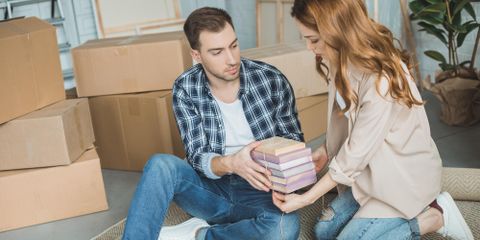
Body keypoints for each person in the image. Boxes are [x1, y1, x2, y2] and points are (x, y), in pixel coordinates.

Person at [272, 0, 474, 240]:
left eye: (314, 39)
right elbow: (345, 120)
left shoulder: (381, 79)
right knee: (323, 232)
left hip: (401, 177)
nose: (308, 47)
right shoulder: (339, 58)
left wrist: (307, 197)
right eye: (305, 38)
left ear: (338, 30)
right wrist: (326, 150)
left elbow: (353, 157)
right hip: (370, 171)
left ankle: (436, 217)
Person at [123, 7, 304, 240]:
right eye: (217, 52)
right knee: (161, 165)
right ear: (197, 55)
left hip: (261, 190)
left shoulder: (270, 79)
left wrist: (280, 175)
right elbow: (197, 156)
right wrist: (232, 163)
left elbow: (295, 142)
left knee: (283, 228)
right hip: (210, 190)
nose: (231, 59)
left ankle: (200, 234)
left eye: (234, 45)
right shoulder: (185, 88)